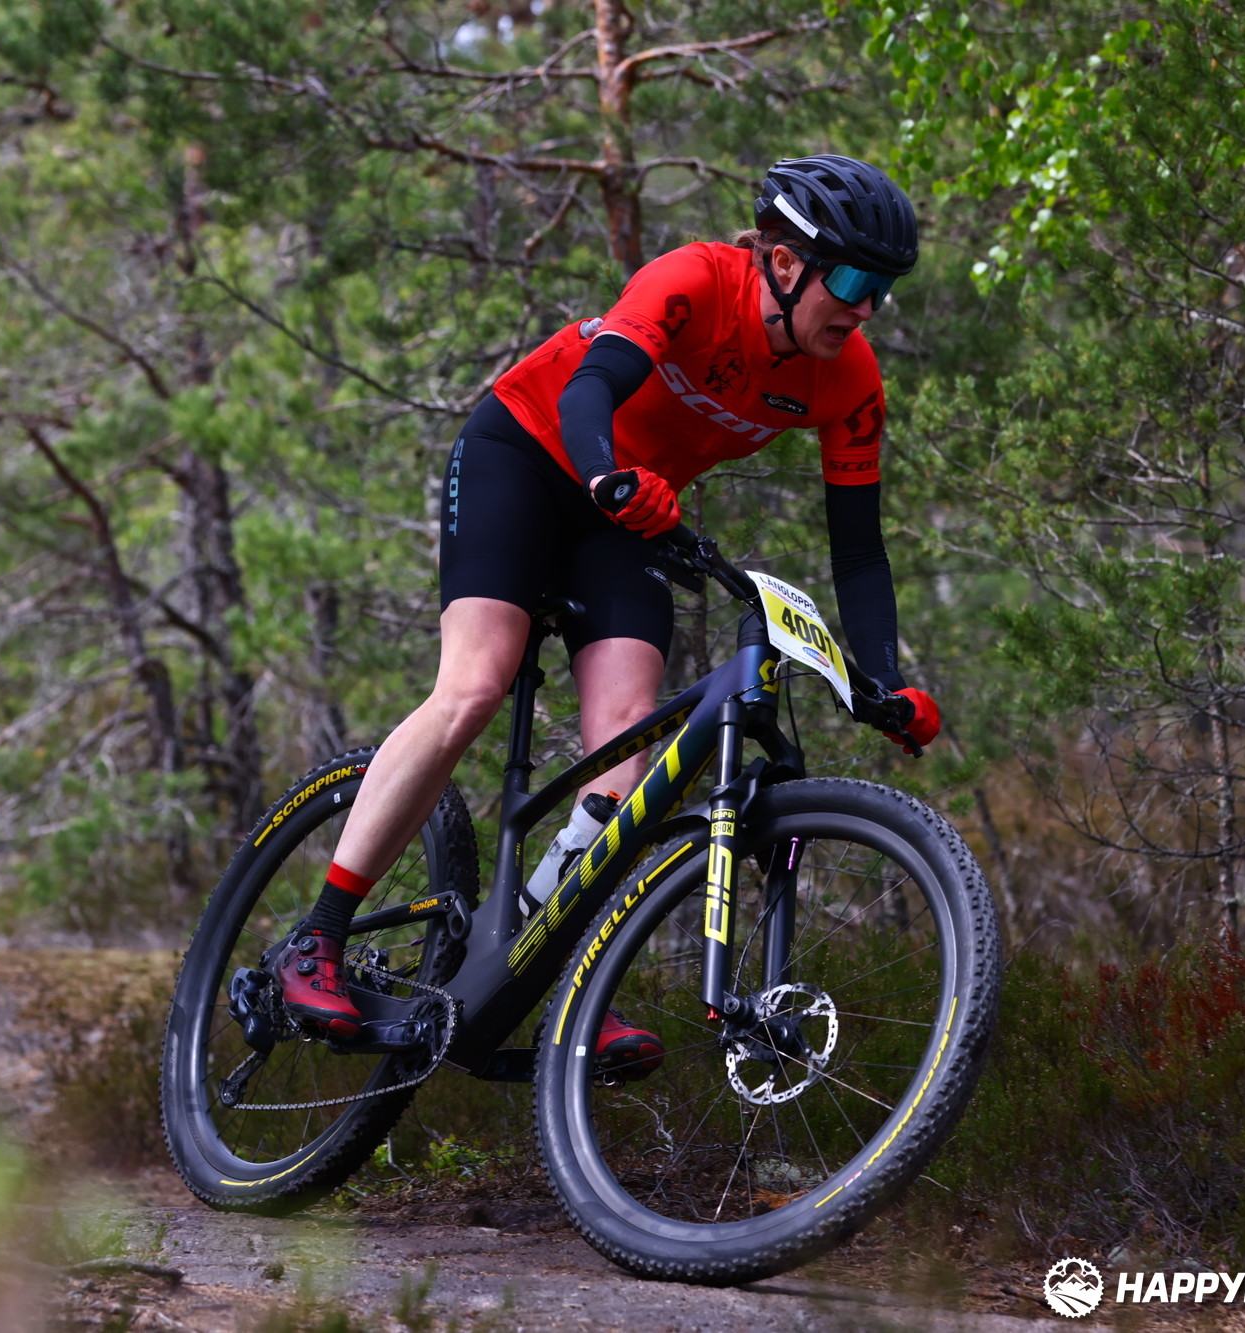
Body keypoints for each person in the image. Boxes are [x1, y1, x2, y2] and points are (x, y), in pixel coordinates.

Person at [275, 156, 945, 1074]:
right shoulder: (693, 280)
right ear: (786, 263)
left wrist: (884, 681)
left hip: (625, 514)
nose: (867, 310)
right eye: (857, 282)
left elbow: (860, 551)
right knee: (474, 685)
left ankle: (557, 968)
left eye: (884, 291)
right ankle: (317, 936)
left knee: (631, 744)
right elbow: (590, 388)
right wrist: (605, 475)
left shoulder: (849, 378)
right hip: (528, 450)